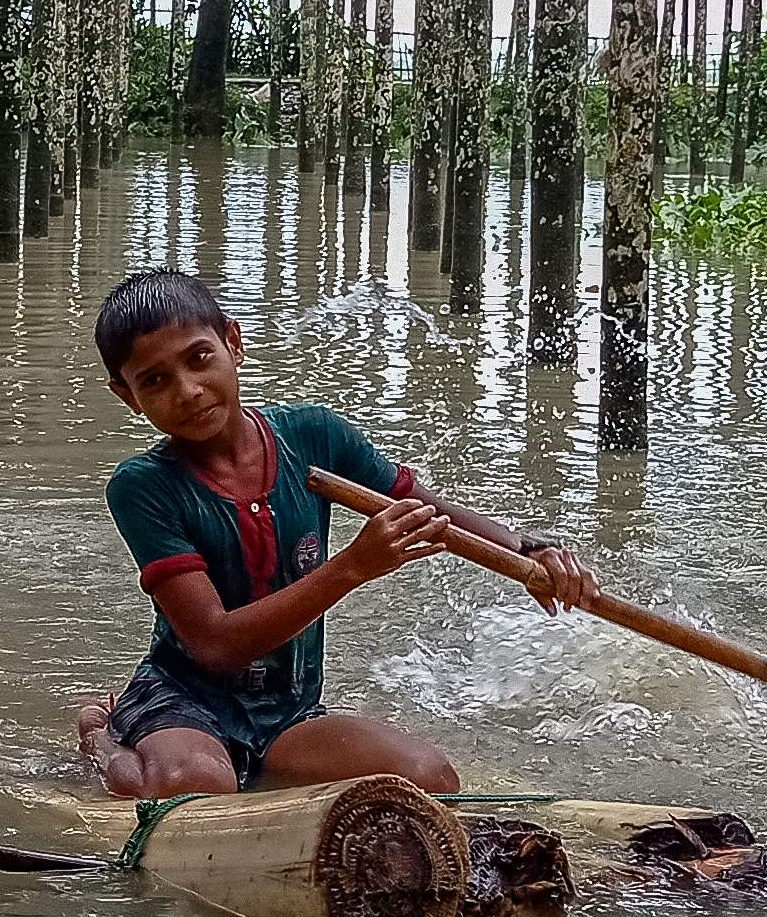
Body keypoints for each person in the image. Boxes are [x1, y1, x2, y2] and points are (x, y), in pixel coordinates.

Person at [72, 267, 596, 799]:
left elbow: (427, 511)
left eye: (199, 358)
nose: (187, 390)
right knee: (196, 783)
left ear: (234, 343)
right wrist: (352, 567)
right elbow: (214, 644)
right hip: (182, 701)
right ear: (127, 395)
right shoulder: (143, 487)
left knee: (429, 780)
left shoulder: (313, 435)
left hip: (288, 711)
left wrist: (530, 553)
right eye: (155, 381)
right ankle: (102, 735)